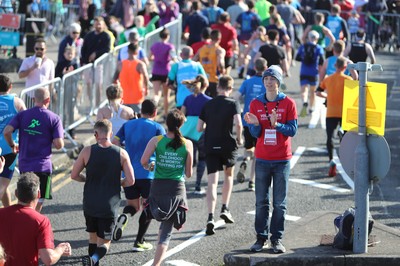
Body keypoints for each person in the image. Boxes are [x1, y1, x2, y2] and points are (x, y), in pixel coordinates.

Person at [244, 65, 297, 253]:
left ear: (279, 81)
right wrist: (256, 124)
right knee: (261, 202)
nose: (269, 81)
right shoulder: (255, 104)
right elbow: (256, 133)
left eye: (272, 78)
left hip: (282, 159)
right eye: (266, 78)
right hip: (263, 159)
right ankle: (261, 238)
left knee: (279, 203)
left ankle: (277, 239)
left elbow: (293, 130)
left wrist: (278, 125)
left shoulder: (288, 103)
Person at [71, 119, 135, 266]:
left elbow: (74, 175)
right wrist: (119, 182)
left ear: (95, 134)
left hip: (90, 204)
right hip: (109, 206)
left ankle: (92, 261)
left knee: (92, 239)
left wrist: (86, 179)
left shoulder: (87, 151)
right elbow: (131, 181)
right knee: (105, 243)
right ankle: (93, 260)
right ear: (110, 133)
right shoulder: (121, 153)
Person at [141, 109, 193, 266]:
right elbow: (189, 174)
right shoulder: (187, 144)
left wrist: (152, 166)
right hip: (177, 188)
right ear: (181, 125)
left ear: (166, 124)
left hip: (157, 187)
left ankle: (156, 260)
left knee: (163, 226)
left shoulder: (156, 140)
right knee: (166, 232)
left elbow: (144, 161)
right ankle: (156, 264)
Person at [111, 99, 166, 251]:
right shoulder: (157, 127)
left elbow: (114, 142)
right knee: (148, 207)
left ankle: (125, 217)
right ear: (155, 112)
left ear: (141, 111)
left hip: (129, 172)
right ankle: (139, 241)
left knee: (132, 206)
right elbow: (162, 149)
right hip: (148, 173)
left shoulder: (127, 125)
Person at [3, 88, 64, 213]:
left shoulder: (22, 115)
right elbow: (59, 144)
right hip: (43, 167)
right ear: (48, 100)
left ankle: (21, 225)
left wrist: (12, 145)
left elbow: (7, 131)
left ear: (33, 99)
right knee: (38, 201)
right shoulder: (54, 118)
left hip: (25, 165)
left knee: (24, 200)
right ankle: (32, 225)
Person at [197, 75, 243, 235]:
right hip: (228, 145)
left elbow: (198, 128)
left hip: (211, 144)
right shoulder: (233, 103)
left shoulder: (208, 104)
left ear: (218, 88)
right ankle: (225, 207)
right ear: (230, 89)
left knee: (212, 182)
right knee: (228, 175)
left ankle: (210, 216)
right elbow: (238, 122)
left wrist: (211, 128)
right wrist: (239, 138)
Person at [0, 172, 72, 265]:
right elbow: (48, 259)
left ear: (16, 193)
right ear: (38, 194)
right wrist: (60, 249)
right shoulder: (41, 221)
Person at [233, 58, 267, 191]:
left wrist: (239, 108)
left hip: (246, 119)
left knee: (248, 148)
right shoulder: (267, 83)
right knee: (258, 153)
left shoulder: (247, 82)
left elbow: (236, 97)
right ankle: (251, 182)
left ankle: (245, 160)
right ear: (266, 67)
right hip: (260, 121)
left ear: (254, 67)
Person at [316, 56, 353, 177]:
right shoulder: (348, 79)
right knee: (346, 138)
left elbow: (318, 92)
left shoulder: (328, 79)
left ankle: (331, 159)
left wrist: (328, 96)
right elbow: (356, 86)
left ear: (335, 66)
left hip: (331, 111)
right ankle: (345, 158)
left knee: (329, 137)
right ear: (345, 67)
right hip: (344, 112)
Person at [180, 74, 211, 194]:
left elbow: (182, 115)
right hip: (201, 130)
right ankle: (198, 185)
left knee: (187, 159)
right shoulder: (209, 101)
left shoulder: (188, 99)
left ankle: (181, 182)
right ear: (206, 85)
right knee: (202, 158)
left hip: (187, 131)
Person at [0, 75, 26, 208]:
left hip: (8, 148)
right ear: (11, 87)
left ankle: (7, 211)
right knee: (2, 185)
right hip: (10, 148)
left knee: (3, 187)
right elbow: (26, 123)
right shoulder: (17, 102)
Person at [81, 16, 111, 107]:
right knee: (88, 83)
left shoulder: (106, 36)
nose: (98, 26)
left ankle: (97, 105)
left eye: (100, 24)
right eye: (96, 23)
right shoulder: (88, 35)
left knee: (98, 84)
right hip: (88, 64)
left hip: (99, 64)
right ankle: (91, 103)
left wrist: (96, 54)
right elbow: (84, 49)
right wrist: (85, 60)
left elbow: (107, 49)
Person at [295, 30, 325, 117]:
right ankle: (311, 107)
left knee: (304, 90)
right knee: (312, 91)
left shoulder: (303, 46)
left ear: (308, 37)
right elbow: (322, 60)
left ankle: (305, 101)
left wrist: (304, 59)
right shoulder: (319, 48)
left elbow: (297, 58)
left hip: (304, 71)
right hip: (314, 72)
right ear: (317, 38)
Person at [114, 43, 150, 114]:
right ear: (137, 52)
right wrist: (146, 88)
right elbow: (146, 77)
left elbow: (114, 79)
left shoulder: (120, 64)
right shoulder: (140, 64)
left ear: (128, 51)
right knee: (137, 119)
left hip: (123, 97)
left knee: (125, 120)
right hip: (137, 97)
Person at [149, 28, 177, 118]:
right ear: (168, 36)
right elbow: (173, 58)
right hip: (166, 71)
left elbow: (150, 57)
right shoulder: (170, 46)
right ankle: (165, 113)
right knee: (166, 95)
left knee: (156, 94)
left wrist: (157, 59)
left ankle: (153, 112)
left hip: (156, 71)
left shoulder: (154, 46)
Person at [193, 29, 226, 98]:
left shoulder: (201, 49)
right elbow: (221, 62)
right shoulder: (219, 50)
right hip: (214, 80)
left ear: (210, 37)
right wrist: (223, 71)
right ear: (219, 38)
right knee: (214, 102)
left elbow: (193, 61)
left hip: (203, 79)